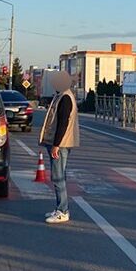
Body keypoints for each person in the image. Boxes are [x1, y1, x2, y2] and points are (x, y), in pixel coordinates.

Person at [38, 71, 80, 224]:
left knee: (58, 177)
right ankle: (60, 208)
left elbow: (63, 123)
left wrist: (56, 145)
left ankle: (62, 211)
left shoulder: (65, 98)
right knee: (59, 175)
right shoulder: (62, 95)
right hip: (59, 143)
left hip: (60, 144)